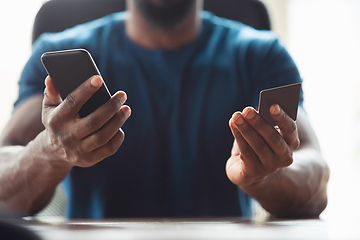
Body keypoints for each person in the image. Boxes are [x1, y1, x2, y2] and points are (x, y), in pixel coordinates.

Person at [0, 0, 329, 218]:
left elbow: (315, 176)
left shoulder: (262, 56)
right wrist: (50, 152)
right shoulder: (58, 53)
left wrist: (264, 179)